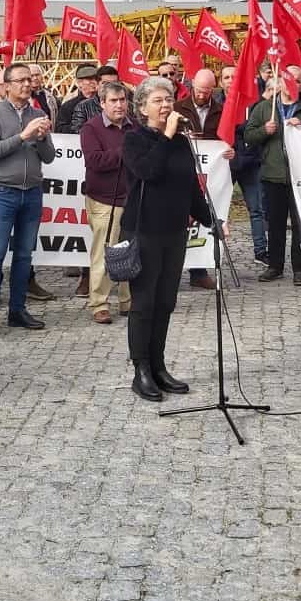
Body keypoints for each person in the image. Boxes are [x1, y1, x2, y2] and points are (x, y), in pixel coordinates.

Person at [122, 76, 214, 401]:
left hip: (174, 232)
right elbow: (148, 171)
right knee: (144, 302)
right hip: (143, 230)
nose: (165, 105)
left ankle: (159, 365)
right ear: (142, 107)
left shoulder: (181, 142)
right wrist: (167, 135)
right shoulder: (134, 139)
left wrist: (212, 220)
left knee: (165, 302)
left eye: (169, 99)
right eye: (158, 100)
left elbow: (190, 188)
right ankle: (141, 370)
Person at [0, 62, 55, 342]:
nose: (27, 84)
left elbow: (49, 157)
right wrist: (23, 136)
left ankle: (17, 310)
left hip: (32, 191)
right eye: (20, 80)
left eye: (29, 80)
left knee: (24, 255)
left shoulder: (38, 113)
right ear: (6, 86)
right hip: (3, 192)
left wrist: (41, 138)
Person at [246, 68, 301, 284]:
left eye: (297, 81)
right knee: (275, 224)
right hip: (273, 174)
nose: (292, 84)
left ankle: (300, 269)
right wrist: (265, 130)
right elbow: (249, 135)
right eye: (288, 80)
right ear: (279, 82)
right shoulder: (265, 108)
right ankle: (275, 266)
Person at [80, 80, 132, 324]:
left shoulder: (134, 126)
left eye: (122, 100)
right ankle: (99, 303)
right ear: (102, 103)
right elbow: (95, 161)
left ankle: (128, 301)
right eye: (113, 101)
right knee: (104, 252)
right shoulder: (91, 128)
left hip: (131, 199)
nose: (119, 105)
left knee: (131, 251)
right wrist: (126, 151)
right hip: (104, 200)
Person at [173, 69, 230, 290]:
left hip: (210, 173)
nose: (202, 95)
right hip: (182, 169)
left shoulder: (221, 110)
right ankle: (172, 271)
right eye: (199, 90)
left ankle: (199, 272)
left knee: (203, 218)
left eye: (207, 91)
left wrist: (228, 150)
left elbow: (227, 137)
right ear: (192, 86)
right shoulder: (178, 108)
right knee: (180, 220)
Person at [220, 65, 268, 263]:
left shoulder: (253, 103)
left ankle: (261, 251)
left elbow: (254, 128)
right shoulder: (216, 103)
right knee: (217, 210)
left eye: (234, 76)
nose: (231, 80)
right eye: (226, 77)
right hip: (224, 164)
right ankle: (212, 253)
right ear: (221, 82)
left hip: (250, 162)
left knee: (257, 209)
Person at [70, 66, 122, 132]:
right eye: (105, 83)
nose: (110, 87)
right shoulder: (83, 107)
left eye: (114, 83)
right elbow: (78, 132)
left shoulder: (127, 106)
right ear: (97, 85)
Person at [57, 64, 100, 133]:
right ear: (79, 83)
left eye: (96, 79)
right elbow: (60, 129)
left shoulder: (104, 102)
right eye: (90, 79)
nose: (94, 82)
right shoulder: (68, 106)